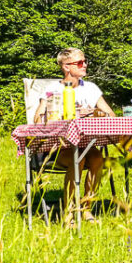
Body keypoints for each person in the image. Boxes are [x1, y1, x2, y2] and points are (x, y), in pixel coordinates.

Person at [33, 48, 115, 225]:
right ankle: (69, 211)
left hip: (87, 144)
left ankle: (86, 208)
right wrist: (56, 115)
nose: (84, 65)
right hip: (59, 147)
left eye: (85, 61)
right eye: (80, 62)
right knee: (78, 158)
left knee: (97, 158)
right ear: (66, 67)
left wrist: (96, 112)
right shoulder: (52, 89)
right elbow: (37, 118)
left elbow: (111, 115)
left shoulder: (91, 88)